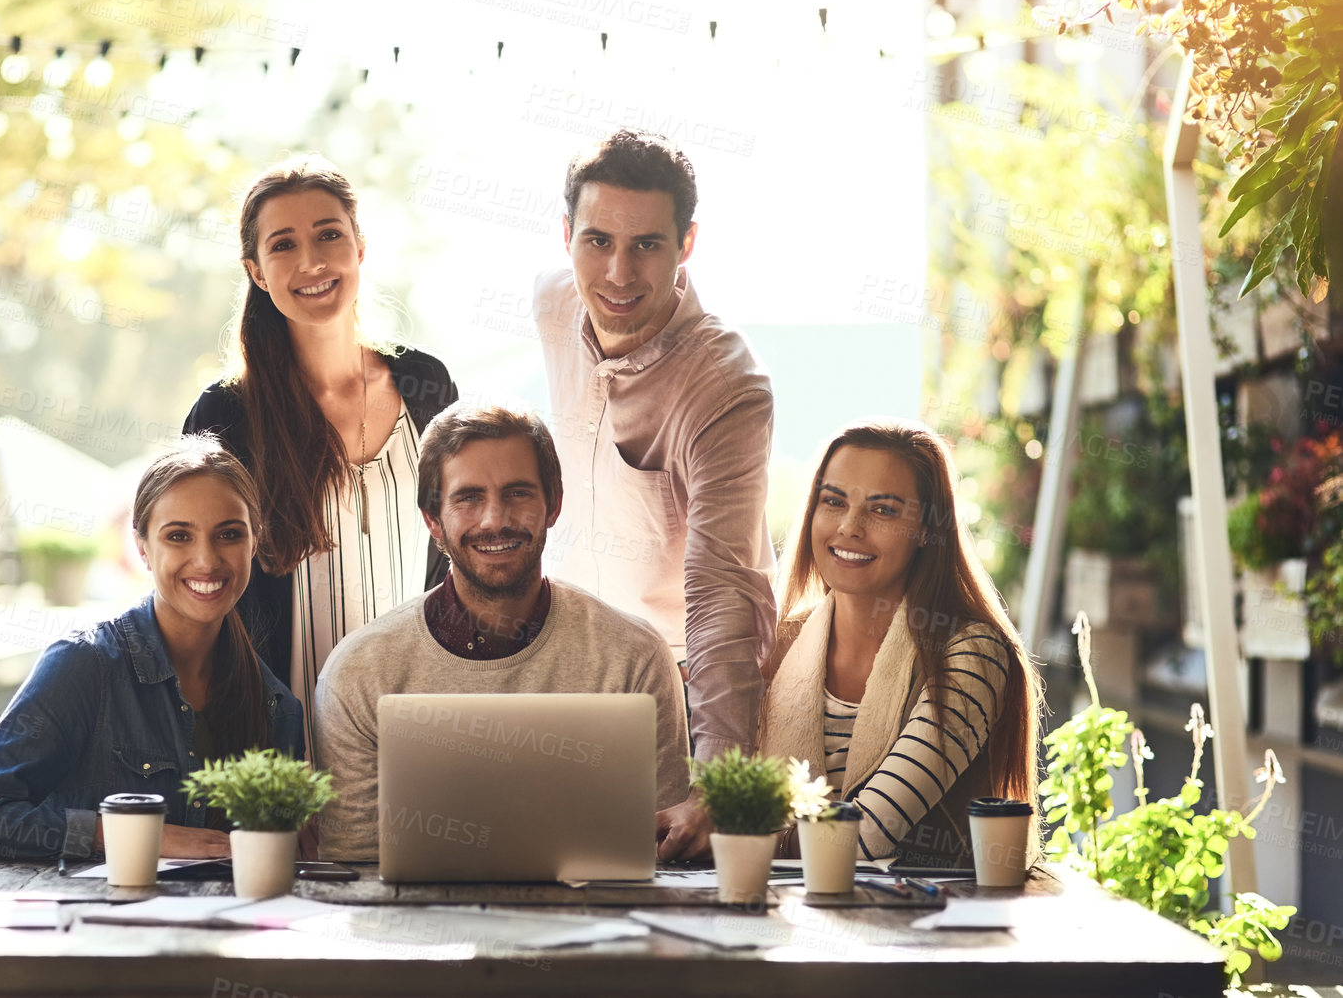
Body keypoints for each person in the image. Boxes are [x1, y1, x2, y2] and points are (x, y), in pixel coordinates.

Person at [533, 128, 775, 858]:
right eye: (597, 241)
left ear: (686, 244)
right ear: (566, 235)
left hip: (682, 689)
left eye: (646, 245)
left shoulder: (726, 383)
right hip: (571, 678)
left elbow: (721, 591)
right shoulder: (552, 305)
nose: (617, 272)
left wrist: (719, 778)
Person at [313, 401, 690, 863]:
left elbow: (668, 857)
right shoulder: (358, 674)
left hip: (596, 931)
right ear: (433, 518)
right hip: (420, 931)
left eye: (517, 493)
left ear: (553, 505)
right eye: (469, 497)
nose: (495, 519)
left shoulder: (636, 659)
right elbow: (353, 872)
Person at [184, 156, 458, 759]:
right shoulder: (227, 418)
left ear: (360, 247)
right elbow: (205, 603)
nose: (311, 261)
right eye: (284, 245)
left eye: (329, 235)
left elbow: (455, 563)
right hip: (283, 744)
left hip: (419, 729)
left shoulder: (426, 384)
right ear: (256, 272)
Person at [0, 437, 303, 862]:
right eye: (179, 536)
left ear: (254, 541)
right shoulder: (83, 666)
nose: (206, 560)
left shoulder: (277, 707)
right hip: (93, 924)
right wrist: (130, 834)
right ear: (143, 548)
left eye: (228, 534)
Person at [756, 419, 1043, 865]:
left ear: (928, 530)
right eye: (833, 501)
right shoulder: (774, 645)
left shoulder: (970, 653)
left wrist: (741, 836)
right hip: (785, 920)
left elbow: (870, 834)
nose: (849, 527)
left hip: (924, 925)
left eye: (883, 510)